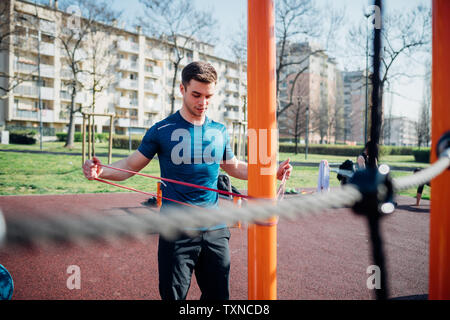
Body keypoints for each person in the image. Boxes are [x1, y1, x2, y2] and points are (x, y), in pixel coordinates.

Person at [82, 61, 292, 300]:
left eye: (208, 96)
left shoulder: (220, 131)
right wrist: (101, 172)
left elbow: (235, 167)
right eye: (196, 95)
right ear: (182, 90)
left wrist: (272, 172)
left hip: (215, 230)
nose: (203, 102)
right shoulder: (161, 129)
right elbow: (130, 166)